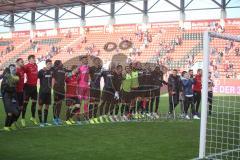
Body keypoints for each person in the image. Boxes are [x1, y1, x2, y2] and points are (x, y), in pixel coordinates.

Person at [1, 64, 20, 131]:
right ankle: (6, 126)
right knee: (9, 112)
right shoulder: (7, 75)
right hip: (6, 95)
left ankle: (11, 124)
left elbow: (16, 79)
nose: (14, 70)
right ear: (10, 69)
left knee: (17, 111)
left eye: (14, 69)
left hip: (13, 95)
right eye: (12, 69)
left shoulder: (16, 77)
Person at [21, 55, 38, 126]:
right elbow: (21, 70)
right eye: (32, 59)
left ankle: (33, 117)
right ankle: (23, 119)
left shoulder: (36, 66)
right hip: (28, 87)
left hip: (34, 87)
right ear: (29, 60)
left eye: (34, 58)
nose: (34, 59)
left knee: (34, 103)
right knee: (25, 104)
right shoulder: (27, 66)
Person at [37, 59, 53, 127]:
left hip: (49, 92)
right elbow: (37, 77)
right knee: (40, 106)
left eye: (50, 64)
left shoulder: (52, 71)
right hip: (42, 92)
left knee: (47, 107)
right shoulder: (41, 71)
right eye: (49, 63)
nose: (50, 65)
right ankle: (41, 122)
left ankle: (45, 122)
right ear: (46, 64)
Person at [52, 60, 67, 125]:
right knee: (56, 103)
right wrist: (53, 88)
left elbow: (70, 71)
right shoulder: (54, 69)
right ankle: (54, 118)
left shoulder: (64, 69)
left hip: (62, 89)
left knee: (60, 104)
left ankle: (58, 118)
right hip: (56, 89)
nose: (62, 63)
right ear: (58, 64)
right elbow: (53, 78)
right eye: (61, 62)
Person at [89, 57, 102, 124]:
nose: (98, 61)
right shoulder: (91, 68)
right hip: (92, 88)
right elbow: (87, 74)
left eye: (99, 60)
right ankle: (90, 117)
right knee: (91, 102)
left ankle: (94, 117)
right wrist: (90, 81)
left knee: (97, 103)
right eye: (97, 60)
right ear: (94, 61)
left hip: (98, 88)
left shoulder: (100, 68)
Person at [78, 56, 90, 122]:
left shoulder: (88, 67)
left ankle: (86, 117)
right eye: (85, 59)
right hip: (81, 87)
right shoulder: (79, 68)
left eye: (87, 59)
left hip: (87, 87)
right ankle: (78, 117)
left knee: (86, 102)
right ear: (82, 61)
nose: (86, 60)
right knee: (79, 103)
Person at [15, 58, 25, 123]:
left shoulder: (22, 69)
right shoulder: (16, 71)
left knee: (21, 108)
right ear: (17, 62)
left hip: (21, 91)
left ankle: (14, 121)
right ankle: (11, 122)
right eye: (21, 62)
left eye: (23, 62)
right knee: (16, 108)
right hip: (16, 92)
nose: (23, 63)